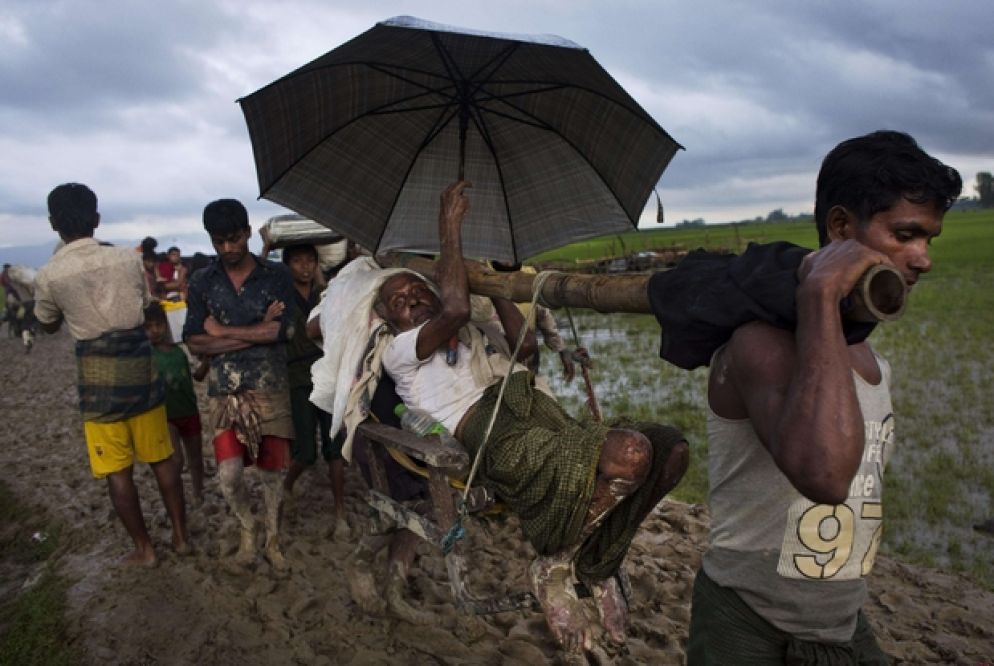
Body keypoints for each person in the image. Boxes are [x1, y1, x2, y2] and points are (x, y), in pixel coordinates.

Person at [370, 182, 689, 652]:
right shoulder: (400, 350)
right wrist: (450, 230)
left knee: (671, 451)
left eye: (419, 290)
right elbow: (455, 304)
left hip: (536, 413)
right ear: (389, 320)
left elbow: (527, 347)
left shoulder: (474, 331)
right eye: (401, 300)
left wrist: (500, 283)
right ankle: (560, 562)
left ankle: (586, 565)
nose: (414, 299)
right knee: (632, 453)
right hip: (491, 431)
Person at [685, 130, 962, 664]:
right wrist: (819, 292)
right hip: (746, 622)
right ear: (841, 227)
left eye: (930, 239)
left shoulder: (871, 362)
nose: (922, 258)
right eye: (905, 234)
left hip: (840, 617)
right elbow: (827, 477)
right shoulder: (757, 345)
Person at [33, 183, 190, 566]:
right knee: (163, 461)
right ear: (97, 219)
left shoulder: (50, 274)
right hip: (141, 373)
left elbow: (47, 324)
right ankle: (182, 539)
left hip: (99, 385)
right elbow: (142, 305)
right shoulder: (125, 258)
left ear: (53, 224)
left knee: (118, 474)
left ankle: (145, 549)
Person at [183, 198, 296, 573]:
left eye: (234, 238)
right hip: (224, 390)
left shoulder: (276, 274)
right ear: (211, 240)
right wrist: (256, 332)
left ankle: (273, 538)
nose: (228, 248)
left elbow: (285, 331)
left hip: (270, 384)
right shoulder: (201, 281)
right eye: (220, 241)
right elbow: (194, 340)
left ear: (248, 232)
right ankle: (248, 529)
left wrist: (222, 332)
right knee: (230, 475)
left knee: (272, 473)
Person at [279, 243, 349, 539]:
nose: (305, 267)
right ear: (288, 265)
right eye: (298, 261)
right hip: (297, 378)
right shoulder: (281, 299)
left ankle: (340, 513)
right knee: (306, 452)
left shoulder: (327, 297)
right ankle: (285, 486)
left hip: (328, 374)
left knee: (335, 449)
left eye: (310, 261)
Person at [144, 302, 207, 505]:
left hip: (190, 411)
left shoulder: (181, 352)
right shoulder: (147, 356)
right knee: (176, 460)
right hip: (166, 415)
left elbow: (197, 376)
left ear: (166, 324)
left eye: (159, 325)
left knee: (196, 459)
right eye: (149, 326)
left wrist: (208, 361)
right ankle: (177, 496)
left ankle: (199, 494)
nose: (155, 330)